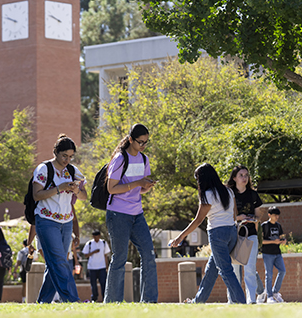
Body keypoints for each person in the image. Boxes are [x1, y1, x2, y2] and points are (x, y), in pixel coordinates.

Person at [170, 163, 246, 304]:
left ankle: (242, 302)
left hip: (217, 234)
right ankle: (198, 301)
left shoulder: (207, 195)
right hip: (231, 232)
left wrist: (181, 236)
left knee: (225, 270)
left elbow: (198, 220)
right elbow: (235, 214)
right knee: (211, 270)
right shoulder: (228, 191)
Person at [103, 124, 158, 303]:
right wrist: (137, 183)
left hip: (137, 213)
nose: (143, 145)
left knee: (148, 253)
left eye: (146, 143)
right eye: (140, 142)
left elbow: (140, 190)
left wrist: (146, 187)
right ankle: (112, 302)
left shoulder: (143, 159)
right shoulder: (120, 159)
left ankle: (149, 301)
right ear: (131, 140)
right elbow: (111, 188)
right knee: (119, 258)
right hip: (118, 214)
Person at [31, 134, 87, 303]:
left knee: (56, 264)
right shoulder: (44, 169)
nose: (67, 160)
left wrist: (76, 190)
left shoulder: (72, 170)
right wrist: (59, 188)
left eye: (70, 157)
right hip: (47, 221)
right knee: (60, 262)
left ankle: (43, 303)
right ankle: (72, 300)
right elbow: (36, 195)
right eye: (64, 156)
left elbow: (85, 196)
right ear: (55, 152)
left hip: (66, 222)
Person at [226, 164, 264, 304]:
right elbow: (224, 215)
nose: (244, 178)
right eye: (241, 175)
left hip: (250, 234)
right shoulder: (229, 194)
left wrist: (253, 219)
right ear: (234, 178)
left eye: (246, 175)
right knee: (234, 269)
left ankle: (251, 299)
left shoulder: (253, 194)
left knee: (250, 268)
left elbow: (259, 216)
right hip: (233, 234)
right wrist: (238, 218)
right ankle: (233, 299)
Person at [260, 206, 286, 303]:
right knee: (269, 274)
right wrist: (273, 242)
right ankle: (269, 296)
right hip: (267, 253)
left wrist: (283, 241)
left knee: (282, 271)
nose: (277, 217)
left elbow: (280, 237)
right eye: (275, 215)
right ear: (269, 215)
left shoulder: (278, 226)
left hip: (277, 253)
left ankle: (275, 292)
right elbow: (261, 241)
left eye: (278, 215)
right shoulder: (264, 226)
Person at [82, 229, 110, 302]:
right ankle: (94, 298)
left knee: (103, 283)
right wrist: (93, 252)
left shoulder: (103, 243)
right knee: (93, 284)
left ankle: (105, 298)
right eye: (94, 237)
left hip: (102, 267)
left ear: (99, 236)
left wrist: (107, 267)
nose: (96, 238)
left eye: (97, 236)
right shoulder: (89, 244)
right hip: (92, 267)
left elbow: (105, 255)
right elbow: (86, 255)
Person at [13, 239, 35, 303]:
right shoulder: (33, 251)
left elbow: (18, 262)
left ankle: (24, 299)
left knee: (24, 285)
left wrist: (15, 271)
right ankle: (32, 298)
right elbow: (36, 258)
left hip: (23, 270)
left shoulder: (21, 252)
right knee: (31, 284)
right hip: (31, 269)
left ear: (23, 244)